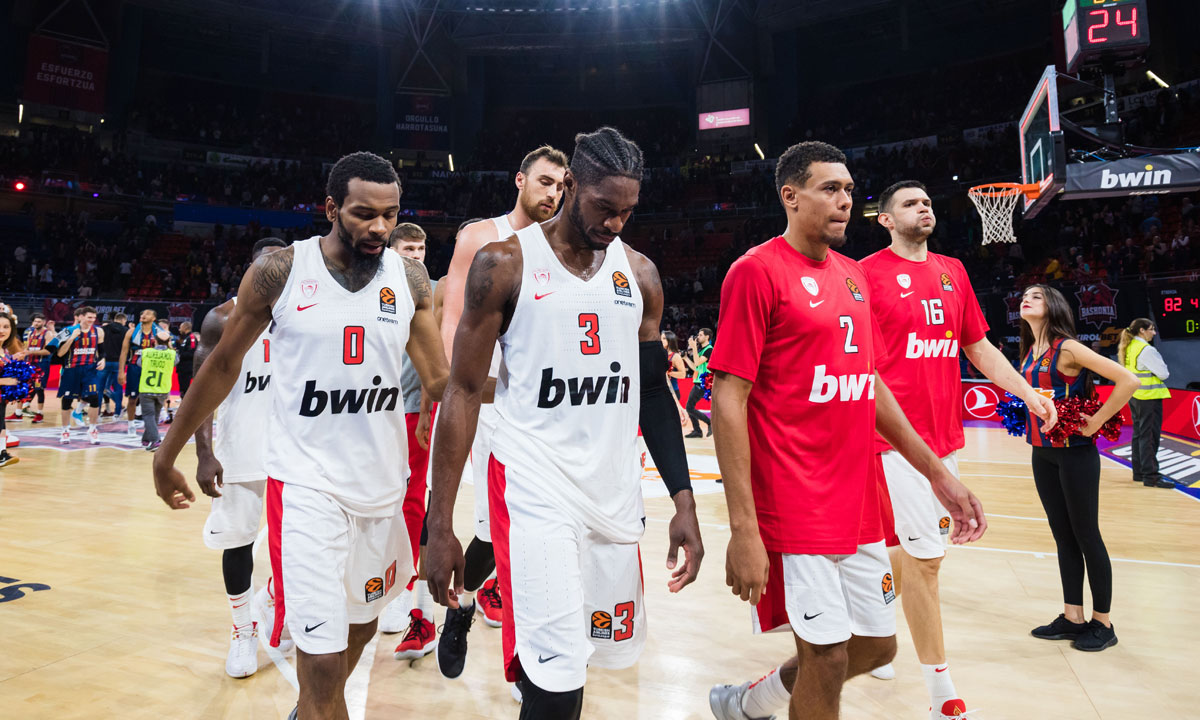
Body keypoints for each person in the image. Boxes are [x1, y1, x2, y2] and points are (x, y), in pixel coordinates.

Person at [153, 151, 449, 720]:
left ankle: (313, 706)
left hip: (382, 489)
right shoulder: (282, 270)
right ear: (332, 208)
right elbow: (222, 364)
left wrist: (522, 381)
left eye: (389, 215)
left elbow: (439, 380)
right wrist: (170, 452)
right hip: (308, 487)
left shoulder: (410, 279)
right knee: (321, 664)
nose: (380, 227)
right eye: (364, 214)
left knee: (361, 628)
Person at [427, 127, 703, 719]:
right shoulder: (504, 263)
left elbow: (651, 391)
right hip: (535, 489)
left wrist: (684, 501)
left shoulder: (641, 274)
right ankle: (469, 615)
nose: (615, 223)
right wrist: (439, 521)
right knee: (555, 682)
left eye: (627, 212)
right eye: (605, 208)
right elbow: (463, 390)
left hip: (612, 495)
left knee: (596, 664)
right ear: (573, 185)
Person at [707, 142, 985, 720]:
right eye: (830, 189)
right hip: (795, 499)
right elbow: (728, 398)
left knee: (877, 645)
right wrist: (743, 529)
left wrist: (937, 474)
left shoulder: (854, 275)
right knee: (827, 657)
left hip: (859, 497)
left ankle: (749, 704)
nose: (844, 201)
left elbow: (871, 385)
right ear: (790, 196)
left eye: (850, 191)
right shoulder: (756, 271)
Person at [853, 180, 1057, 710]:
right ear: (886, 220)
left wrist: (1027, 392)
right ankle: (941, 692)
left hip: (944, 440)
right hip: (891, 443)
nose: (923, 208)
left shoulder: (953, 271)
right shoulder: (864, 275)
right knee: (925, 561)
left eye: (926, 202)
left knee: (909, 553)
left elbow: (978, 348)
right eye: (910, 203)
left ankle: (872, 633)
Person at [434, 145, 569, 678]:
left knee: (527, 533)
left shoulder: (564, 246)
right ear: (520, 180)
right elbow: (452, 320)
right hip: (486, 402)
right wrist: (455, 390)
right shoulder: (480, 236)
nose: (553, 193)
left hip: (542, 407)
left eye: (562, 185)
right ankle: (466, 611)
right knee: (494, 533)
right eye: (545, 181)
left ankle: (518, 648)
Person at [1020, 284, 1138, 652]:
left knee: (1087, 535)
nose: (1026, 299)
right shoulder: (1030, 349)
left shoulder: (1067, 347)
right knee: (1063, 536)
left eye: (1036, 296)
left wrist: (1097, 421)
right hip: (1042, 453)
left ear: (1053, 306)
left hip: (1075, 453)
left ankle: (1103, 623)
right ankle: (1073, 617)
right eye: (1024, 295)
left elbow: (1128, 380)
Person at [192, 237, 288, 679]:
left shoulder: (305, 314)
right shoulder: (221, 318)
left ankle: (277, 601)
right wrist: (204, 452)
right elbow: (200, 390)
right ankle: (242, 629)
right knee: (238, 542)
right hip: (241, 449)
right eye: (264, 266)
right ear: (250, 270)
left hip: (294, 451)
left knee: (299, 543)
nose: (273, 274)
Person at [376, 222, 440, 661]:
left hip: (417, 408)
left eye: (421, 249)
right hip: (373, 408)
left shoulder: (433, 292)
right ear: (391, 252)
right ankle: (378, 578)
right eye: (408, 249)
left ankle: (403, 587)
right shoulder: (371, 286)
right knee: (375, 501)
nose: (416, 256)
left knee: (413, 500)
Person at [1117, 318, 1173, 488]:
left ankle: (1139, 473)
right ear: (1142, 330)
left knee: (1139, 434)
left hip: (1135, 396)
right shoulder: (1146, 349)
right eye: (1151, 329)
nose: (1154, 333)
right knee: (1149, 437)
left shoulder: (1130, 346)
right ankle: (1151, 476)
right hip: (1149, 397)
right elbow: (1164, 374)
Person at [56, 306, 105, 445]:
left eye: (94, 318)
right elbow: (60, 353)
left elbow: (102, 351)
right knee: (67, 400)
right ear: (81, 317)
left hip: (89, 369)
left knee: (94, 398)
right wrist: (72, 338)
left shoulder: (99, 331)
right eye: (89, 317)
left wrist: (103, 359)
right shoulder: (68, 331)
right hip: (71, 369)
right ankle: (65, 430)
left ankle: (93, 430)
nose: (92, 320)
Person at [119, 309, 161, 437]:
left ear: (154, 318)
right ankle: (131, 425)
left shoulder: (160, 333)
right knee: (132, 398)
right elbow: (124, 353)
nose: (143, 315)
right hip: (134, 367)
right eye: (142, 313)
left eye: (147, 314)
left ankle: (151, 425)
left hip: (152, 368)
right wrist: (121, 371)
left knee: (154, 398)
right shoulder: (131, 332)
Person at [138, 328, 178, 451]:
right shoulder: (172, 354)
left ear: (155, 341)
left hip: (146, 388)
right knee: (154, 415)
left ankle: (155, 441)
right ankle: (146, 439)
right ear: (169, 342)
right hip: (162, 389)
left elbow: (139, 363)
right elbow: (175, 362)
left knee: (148, 415)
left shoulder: (146, 352)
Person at [0, 312, 26, 468]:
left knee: (1, 425)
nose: (2, 330)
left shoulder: (5, 351)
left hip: (1, 397)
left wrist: (14, 361)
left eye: (6, 327)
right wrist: (5, 381)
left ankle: (2, 453)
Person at [19, 313, 52, 423]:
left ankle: (39, 413)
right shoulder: (30, 333)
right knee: (27, 387)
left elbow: (48, 351)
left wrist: (31, 352)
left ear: (43, 322)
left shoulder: (47, 334)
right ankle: (21, 410)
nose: (36, 323)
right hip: (30, 364)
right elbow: (26, 349)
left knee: (39, 389)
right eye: (35, 321)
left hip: (41, 365)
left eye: (39, 321)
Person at [683, 328, 713, 438]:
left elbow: (697, 362)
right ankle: (697, 430)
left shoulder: (709, 350)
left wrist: (694, 347)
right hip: (699, 381)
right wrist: (685, 358)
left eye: (700, 335)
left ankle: (708, 423)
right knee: (690, 406)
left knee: (689, 407)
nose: (698, 337)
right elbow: (695, 367)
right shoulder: (702, 351)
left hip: (704, 382)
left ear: (707, 337)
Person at [98, 312, 129, 419]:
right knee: (118, 388)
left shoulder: (103, 329)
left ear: (114, 319)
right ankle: (117, 412)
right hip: (119, 363)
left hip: (104, 362)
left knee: (100, 389)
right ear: (124, 320)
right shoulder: (126, 331)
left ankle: (97, 413)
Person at [176, 321, 200, 400]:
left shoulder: (191, 337)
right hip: (182, 367)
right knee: (182, 387)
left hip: (187, 367)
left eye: (180, 327)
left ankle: (186, 401)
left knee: (185, 387)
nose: (179, 329)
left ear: (185, 328)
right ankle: (183, 400)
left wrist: (180, 355)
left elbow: (192, 352)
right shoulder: (186, 338)